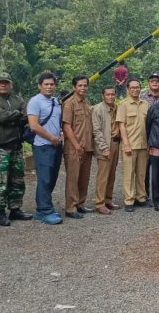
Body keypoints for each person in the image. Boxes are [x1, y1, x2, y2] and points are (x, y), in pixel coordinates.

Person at [0, 72, 32, 226]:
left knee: (17, 179)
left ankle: (15, 209)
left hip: (16, 145)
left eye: (6, 82)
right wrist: (16, 115)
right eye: (0, 82)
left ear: (11, 84)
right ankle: (0, 212)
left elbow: (26, 116)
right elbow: (1, 116)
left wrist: (15, 116)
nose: (3, 85)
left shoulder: (17, 99)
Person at [27, 72, 64, 225]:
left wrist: (59, 134)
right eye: (46, 84)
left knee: (53, 177)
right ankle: (44, 211)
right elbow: (34, 125)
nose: (49, 87)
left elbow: (57, 121)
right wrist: (51, 138)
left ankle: (45, 207)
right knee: (45, 177)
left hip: (56, 144)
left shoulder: (56, 101)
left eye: (52, 84)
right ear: (40, 86)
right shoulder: (35, 102)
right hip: (43, 145)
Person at [62, 76, 95, 219]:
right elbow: (66, 126)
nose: (83, 88)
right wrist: (76, 145)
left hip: (87, 146)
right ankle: (71, 207)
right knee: (73, 178)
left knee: (84, 178)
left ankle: (80, 203)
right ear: (74, 87)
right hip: (74, 147)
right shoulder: (70, 104)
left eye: (85, 85)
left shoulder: (86, 103)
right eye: (80, 85)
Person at [117, 78, 150, 212]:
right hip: (130, 145)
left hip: (144, 145)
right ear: (128, 89)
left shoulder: (145, 104)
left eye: (137, 87)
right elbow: (121, 125)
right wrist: (126, 144)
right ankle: (129, 200)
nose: (135, 89)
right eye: (132, 87)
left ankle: (141, 197)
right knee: (129, 174)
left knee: (141, 174)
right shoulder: (123, 104)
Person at [92, 86, 121, 214]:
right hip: (104, 146)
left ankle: (108, 200)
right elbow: (96, 131)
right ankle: (99, 203)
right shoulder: (98, 109)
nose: (110, 96)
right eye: (107, 94)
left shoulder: (116, 108)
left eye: (112, 94)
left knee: (112, 175)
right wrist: (104, 148)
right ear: (102, 96)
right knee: (103, 176)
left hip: (115, 144)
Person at [141, 72, 159, 201]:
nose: (155, 83)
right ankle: (144, 194)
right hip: (145, 136)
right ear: (148, 83)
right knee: (144, 168)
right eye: (152, 81)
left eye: (157, 80)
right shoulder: (142, 98)